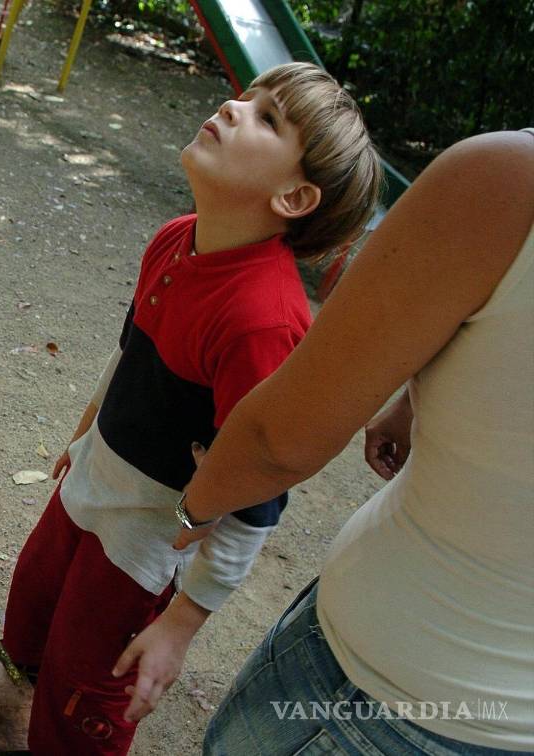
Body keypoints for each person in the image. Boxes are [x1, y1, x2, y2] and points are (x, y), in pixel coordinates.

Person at [0, 62, 383, 755]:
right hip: (89, 486)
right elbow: (130, 350)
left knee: (84, 687)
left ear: (294, 196)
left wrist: (180, 623)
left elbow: (260, 491)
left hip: (144, 543)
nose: (235, 108)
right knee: (30, 616)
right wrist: (83, 437)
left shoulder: (264, 321)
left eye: (267, 118)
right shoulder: (176, 235)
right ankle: (19, 694)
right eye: (247, 97)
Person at [154, 128, 534, 754]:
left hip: (388, 685)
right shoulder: (177, 239)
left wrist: (187, 513)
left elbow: (280, 442)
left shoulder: (504, 180)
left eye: (267, 118)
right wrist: (415, 401)